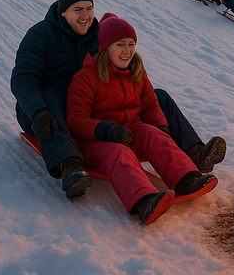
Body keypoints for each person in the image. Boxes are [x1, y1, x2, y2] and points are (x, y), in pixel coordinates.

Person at [11, 0, 227, 199]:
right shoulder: (40, 35)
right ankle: (70, 166)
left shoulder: (96, 34)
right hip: (43, 111)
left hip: (90, 102)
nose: (85, 15)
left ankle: (194, 152)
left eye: (89, 8)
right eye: (78, 10)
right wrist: (37, 111)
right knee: (52, 97)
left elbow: (118, 56)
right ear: (63, 11)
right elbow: (23, 78)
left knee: (157, 97)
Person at [67, 13, 217, 224]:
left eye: (131, 44)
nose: (127, 51)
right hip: (97, 143)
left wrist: (161, 128)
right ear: (105, 47)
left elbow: (150, 104)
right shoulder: (85, 78)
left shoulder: (136, 71)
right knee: (118, 152)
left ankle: (186, 179)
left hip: (130, 131)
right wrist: (106, 130)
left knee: (152, 133)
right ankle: (144, 200)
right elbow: (76, 120)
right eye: (120, 45)